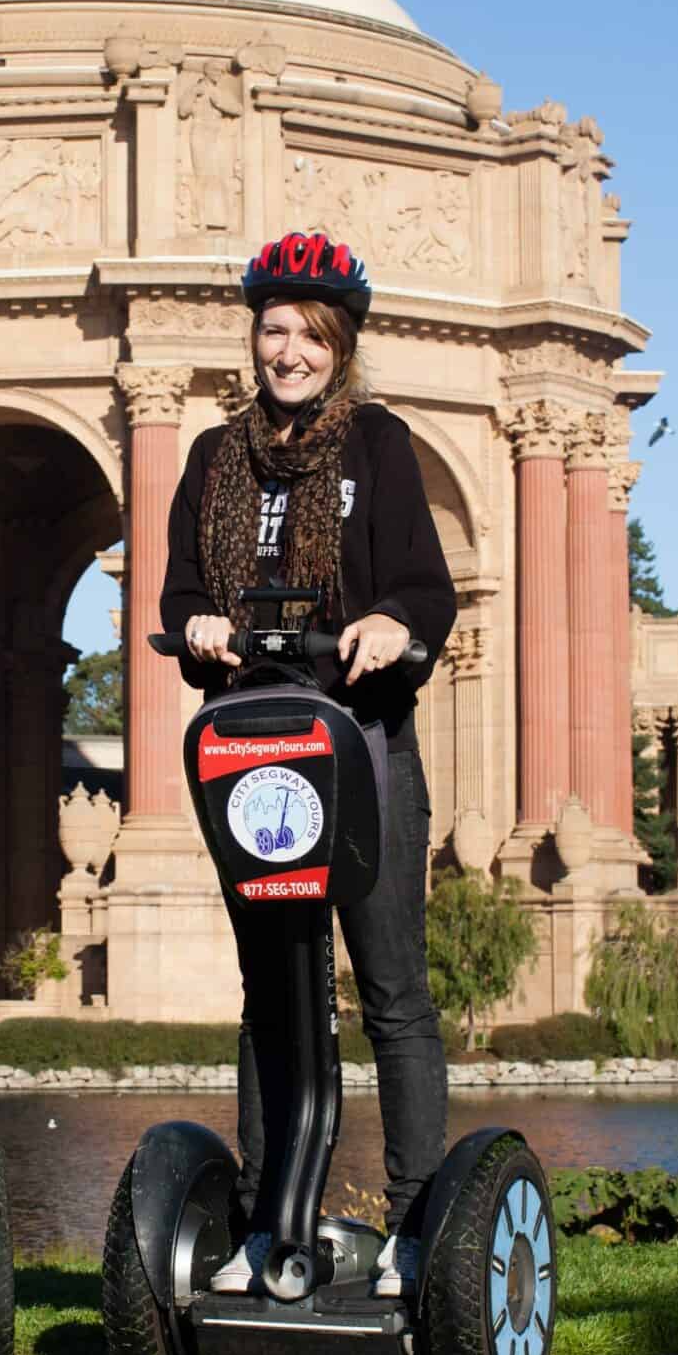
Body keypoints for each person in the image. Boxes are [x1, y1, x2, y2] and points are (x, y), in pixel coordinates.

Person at [161, 230, 458, 1297]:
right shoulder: (213, 456)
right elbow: (180, 590)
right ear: (253, 338)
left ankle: (418, 1222)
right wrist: (196, 626)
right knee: (272, 996)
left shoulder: (375, 446)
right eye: (273, 330)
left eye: (310, 336)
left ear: (342, 348)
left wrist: (387, 623)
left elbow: (429, 590)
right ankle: (266, 1223)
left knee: (391, 995)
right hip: (260, 753)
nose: (288, 351)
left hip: (364, 745)